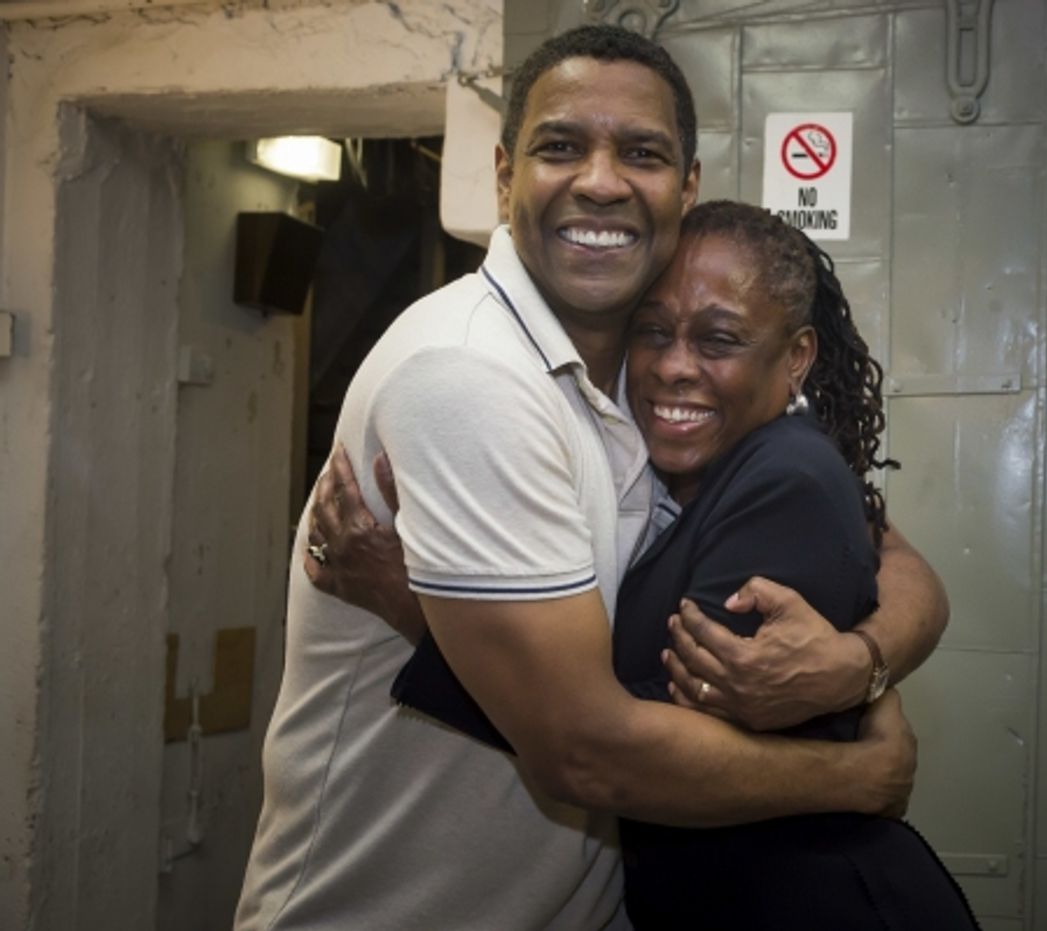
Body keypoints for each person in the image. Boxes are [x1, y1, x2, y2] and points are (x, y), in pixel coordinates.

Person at [236, 24, 946, 931]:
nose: (602, 180)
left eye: (641, 152)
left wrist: (859, 664)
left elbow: (896, 558)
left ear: (685, 187)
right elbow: (584, 749)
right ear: (504, 174)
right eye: (561, 145)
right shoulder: (471, 376)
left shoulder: (660, 378)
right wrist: (859, 775)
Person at [386, 200, 978, 929]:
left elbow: (628, 740)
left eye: (719, 340)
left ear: (795, 357)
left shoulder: (785, 478)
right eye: (653, 332)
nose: (674, 367)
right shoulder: (693, 452)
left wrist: (407, 603)